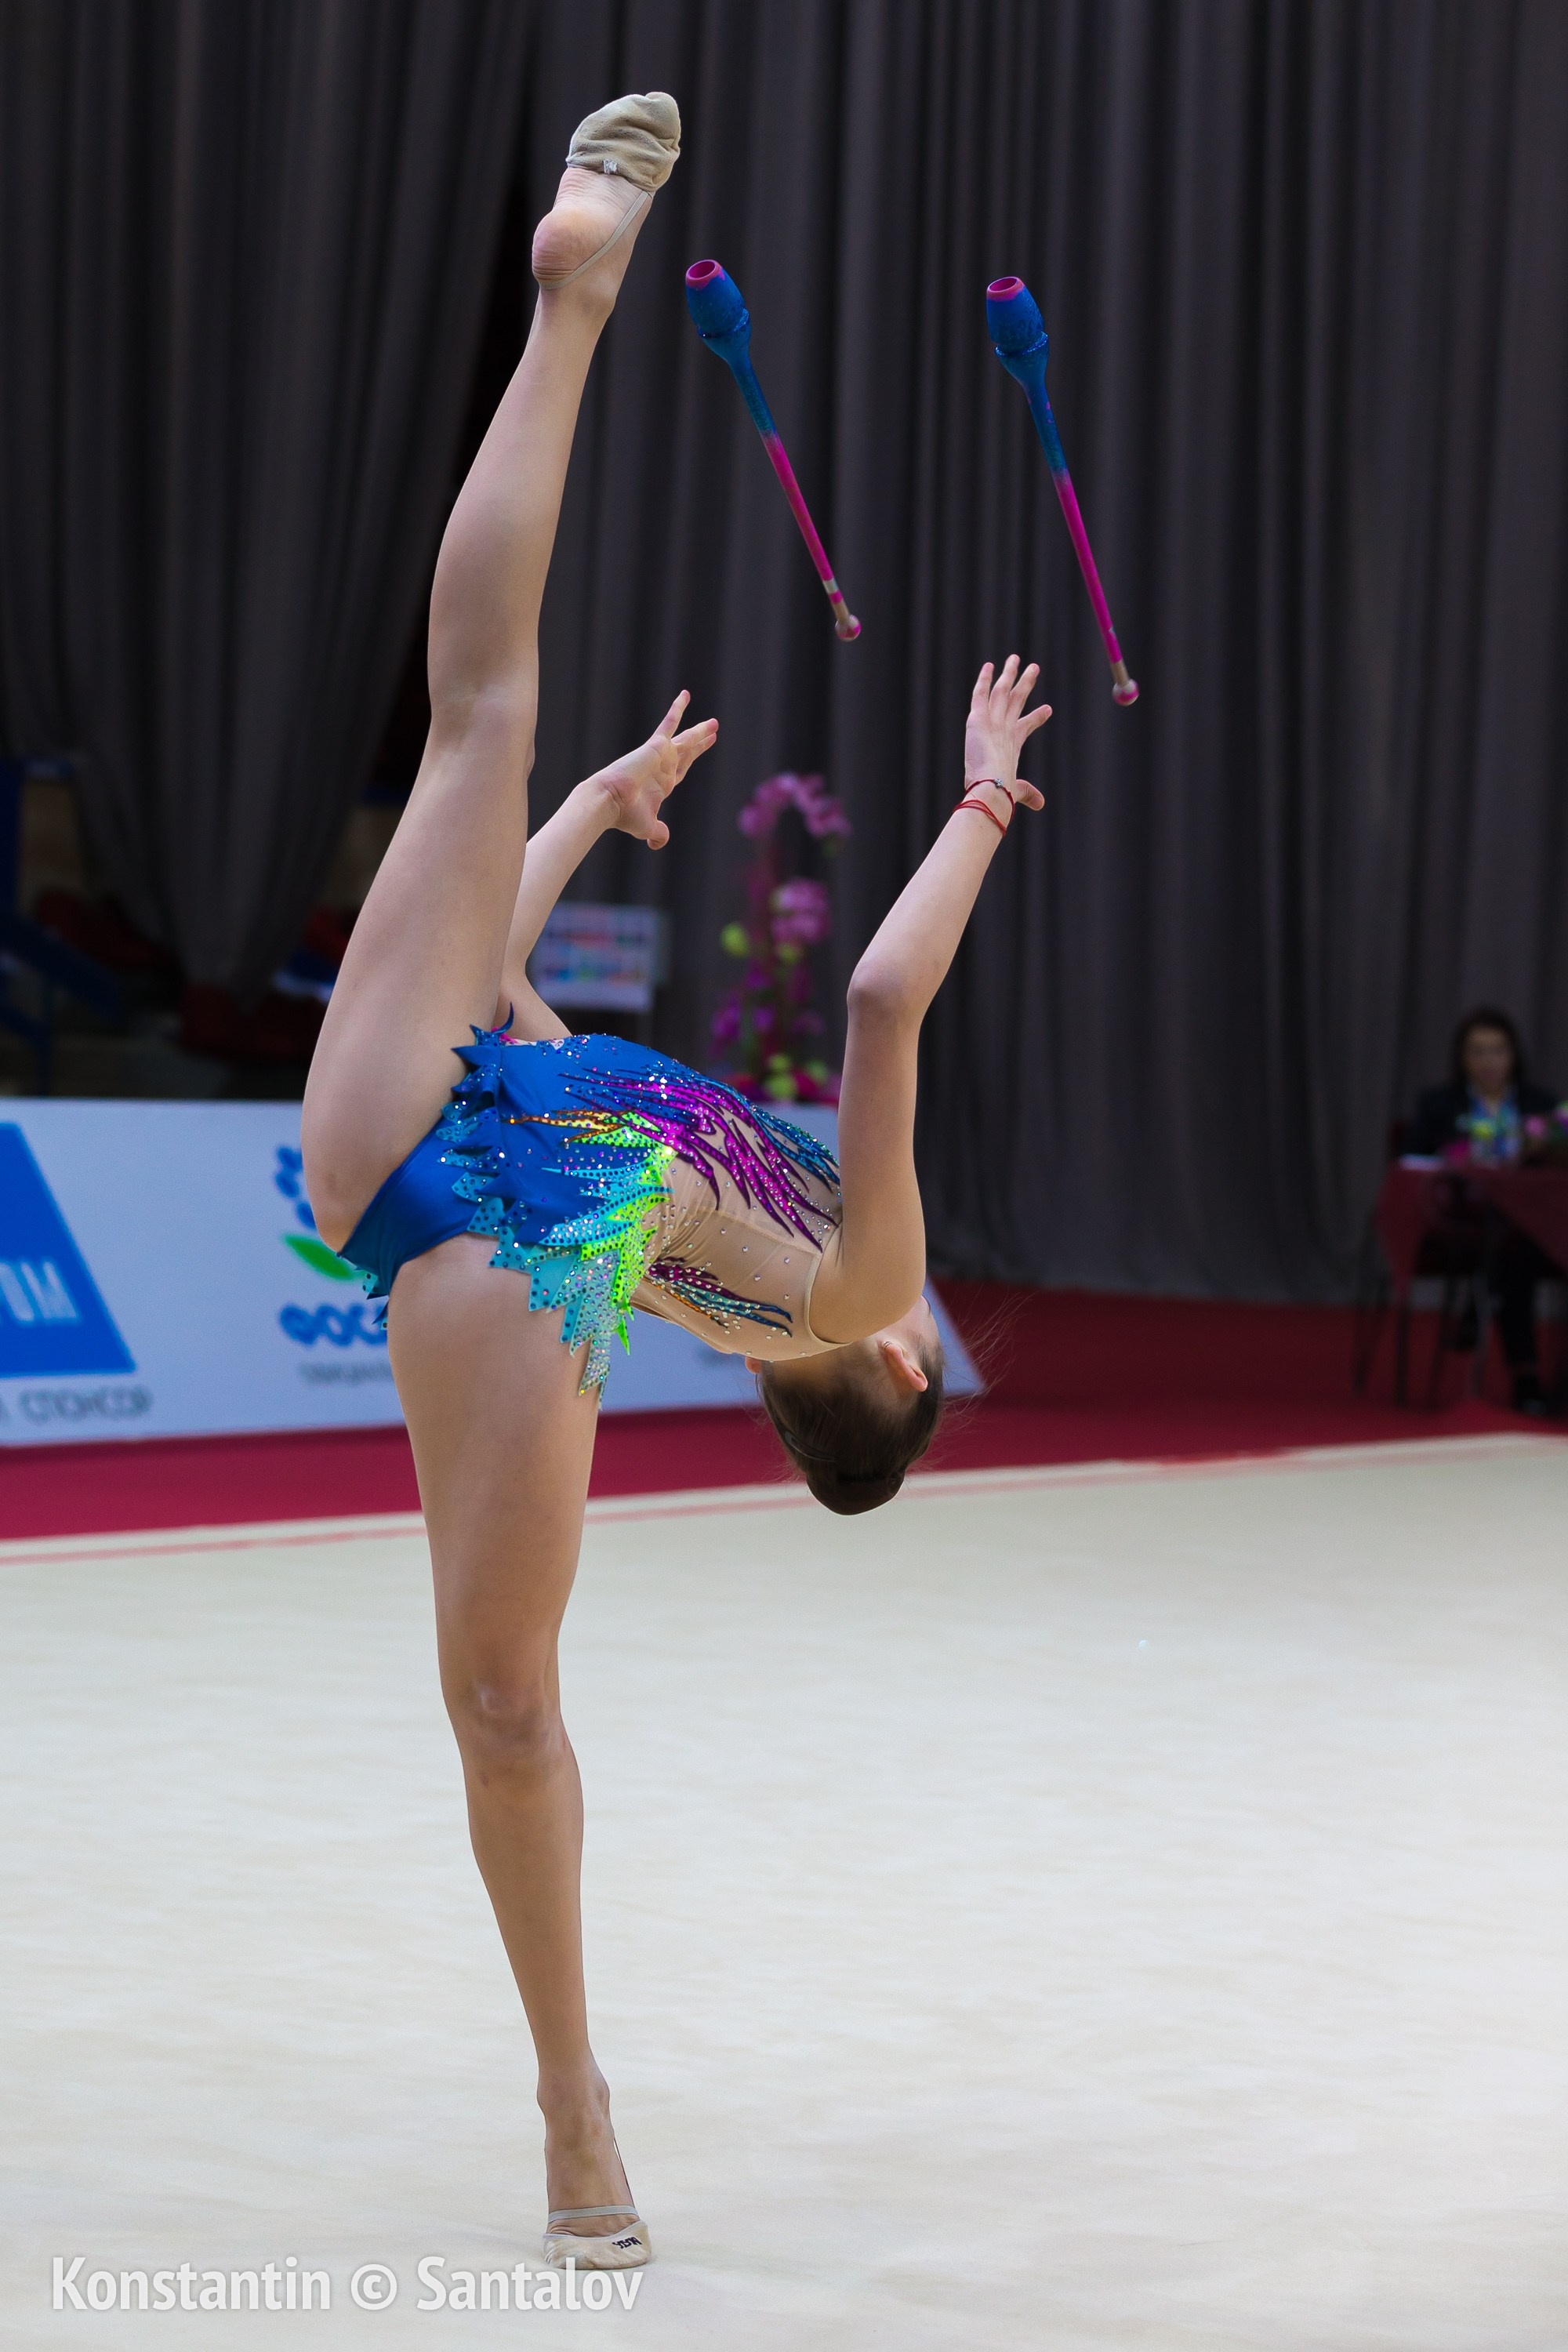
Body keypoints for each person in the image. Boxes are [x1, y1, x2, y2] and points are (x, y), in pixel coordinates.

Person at [299, 93, 1053, 2271]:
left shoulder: (845, 1276)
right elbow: (506, 1008)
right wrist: (603, 810)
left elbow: (890, 1005)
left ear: (895, 1371)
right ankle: (575, 2122)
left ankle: (576, 318)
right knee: (508, 1713)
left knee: (477, 715)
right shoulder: (725, 1296)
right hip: (430, 1172)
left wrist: (988, 806)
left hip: (467, 1153)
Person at [1406, 1006, 1559, 1412]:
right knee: (1510, 1246)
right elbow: (1413, 1161)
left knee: (1518, 1243)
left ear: (1514, 1055)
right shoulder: (1439, 1104)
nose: (1489, 1061)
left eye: (1498, 1050)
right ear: (1461, 1057)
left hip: (1533, 1226)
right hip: (1464, 1224)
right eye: (1478, 1051)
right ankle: (1525, 1379)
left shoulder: (1541, 1104)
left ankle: (1480, 1304)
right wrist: (1457, 1154)